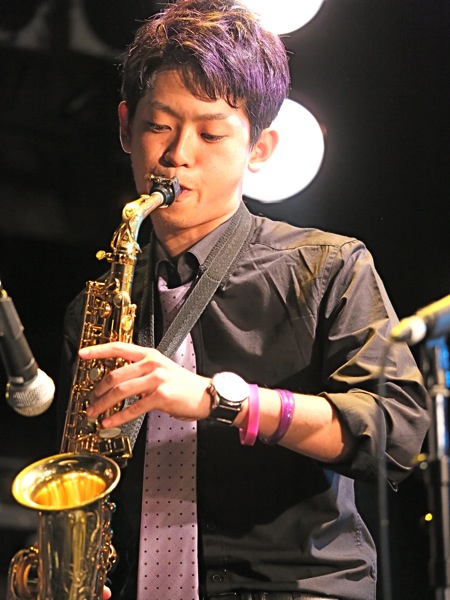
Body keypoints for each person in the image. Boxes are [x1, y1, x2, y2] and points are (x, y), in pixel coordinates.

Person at [57, 1, 430, 599]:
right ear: (125, 127)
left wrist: (223, 401)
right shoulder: (96, 306)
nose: (178, 155)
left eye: (210, 134)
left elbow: (397, 434)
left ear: (260, 147)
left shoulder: (328, 267)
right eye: (158, 127)